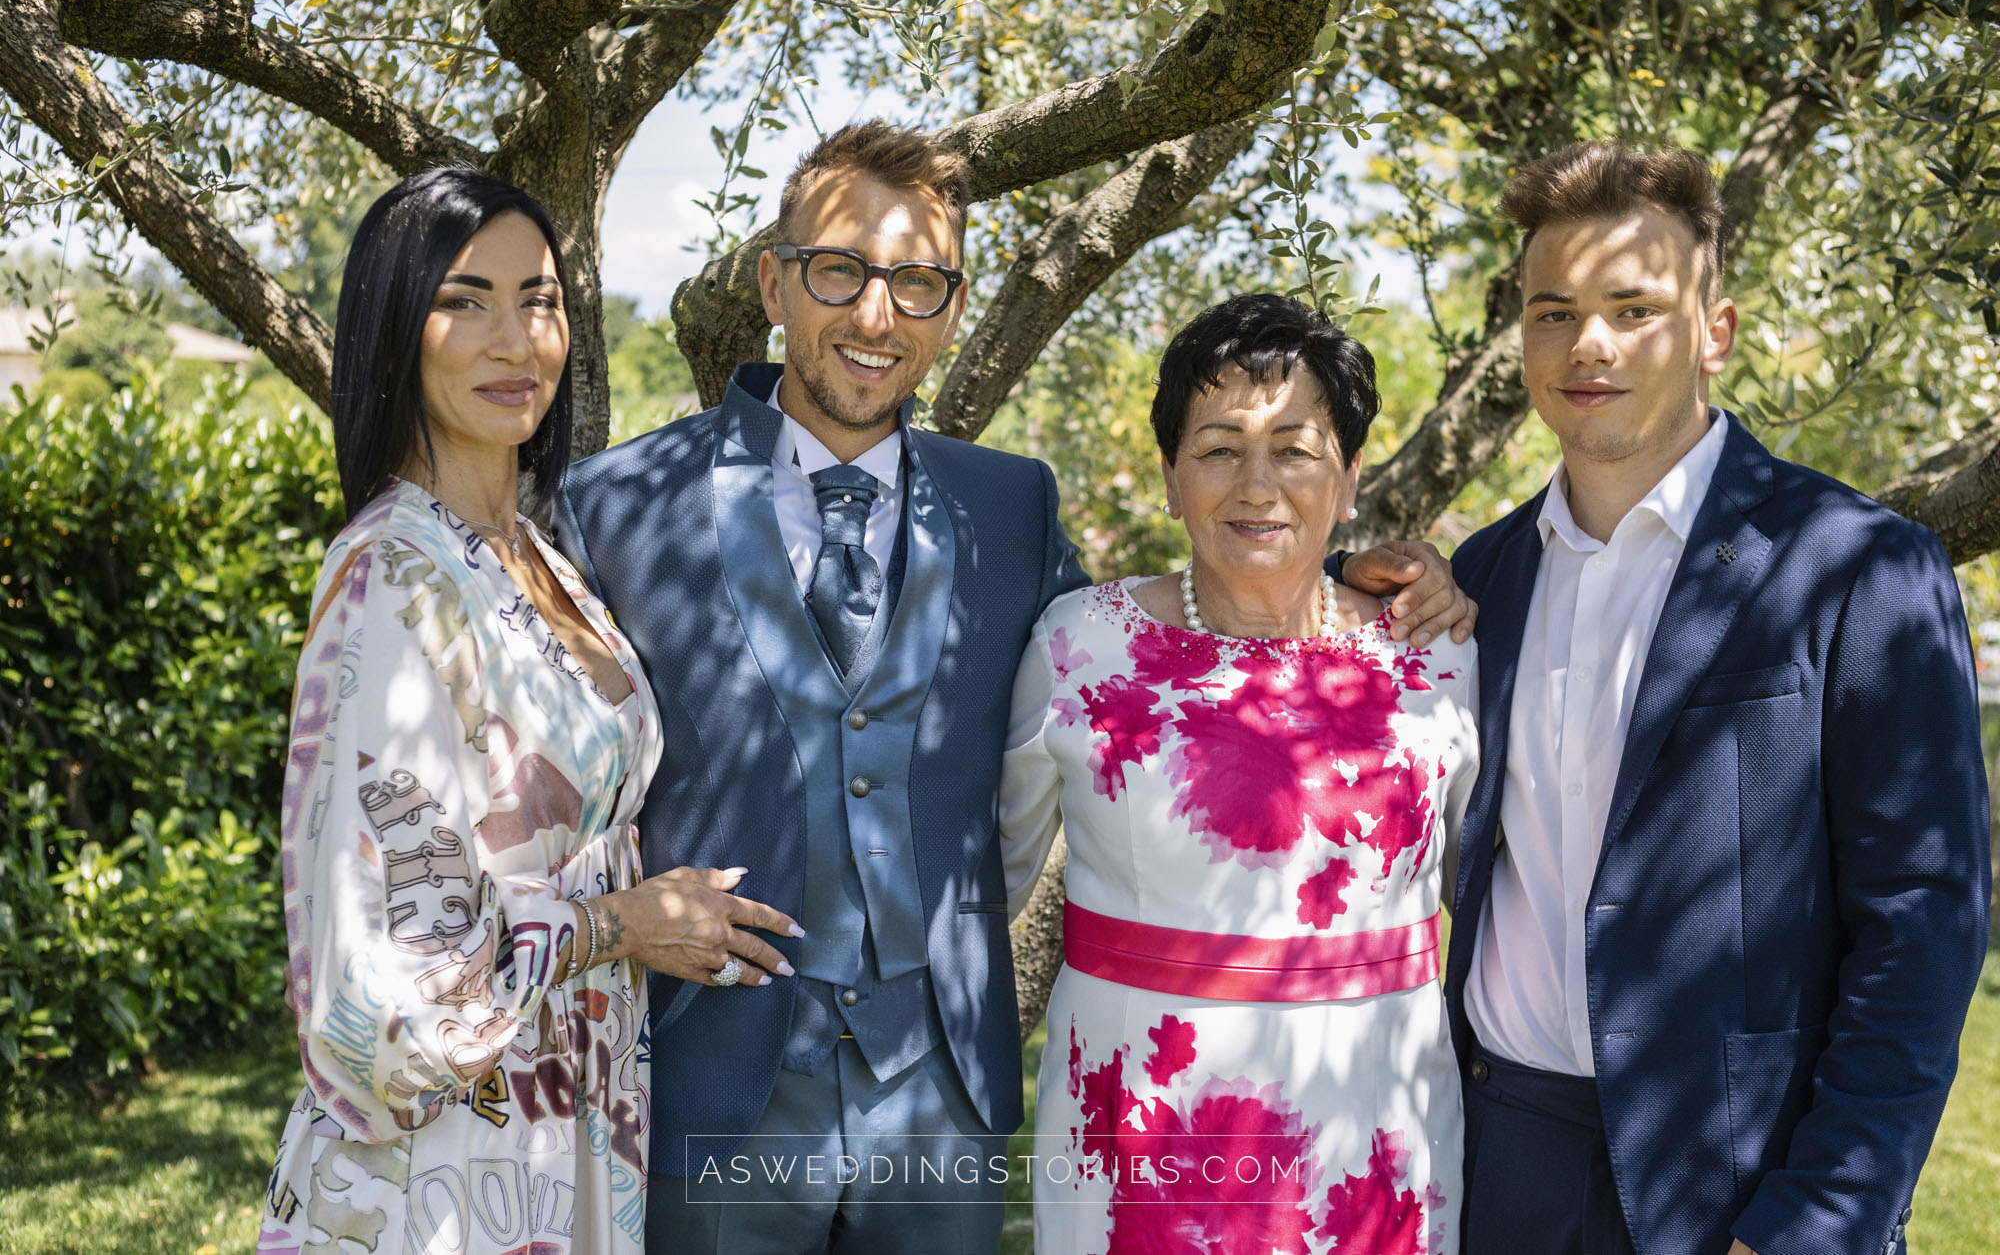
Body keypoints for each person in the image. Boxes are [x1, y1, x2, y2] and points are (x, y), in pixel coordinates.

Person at [550, 122, 1475, 1254]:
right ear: (772, 282)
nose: (876, 315)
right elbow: (554, 780)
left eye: (919, 281)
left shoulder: (1007, 506)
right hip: (715, 1077)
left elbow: (1178, 653)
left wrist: (1334, 576)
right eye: (839, 269)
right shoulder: (615, 504)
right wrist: (609, 923)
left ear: (953, 303)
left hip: (941, 1105)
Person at [1444, 140, 1991, 1255]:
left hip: (1740, 1182)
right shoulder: (1481, 578)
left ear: (1714, 330)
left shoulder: (1860, 566)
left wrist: (1814, 1220)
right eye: (1551, 310)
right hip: (1499, 1166)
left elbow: (1922, 927)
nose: (1585, 342)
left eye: (1631, 307)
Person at [260, 167, 801, 1254]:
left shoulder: (541, 560)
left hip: (573, 1140)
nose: (515, 339)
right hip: (444, 1172)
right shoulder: (389, 583)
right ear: (393, 330)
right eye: (464, 300)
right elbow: (379, 1005)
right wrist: (622, 925)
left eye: (539, 300)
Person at [997, 293, 1478, 1254]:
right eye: (1218, 448)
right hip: (1139, 1122)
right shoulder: (1078, 644)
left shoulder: (1442, 650)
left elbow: (1496, 890)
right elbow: (985, 879)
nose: (1257, 484)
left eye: (1295, 449)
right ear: (1171, 478)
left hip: (1375, 1128)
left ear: (1346, 480)